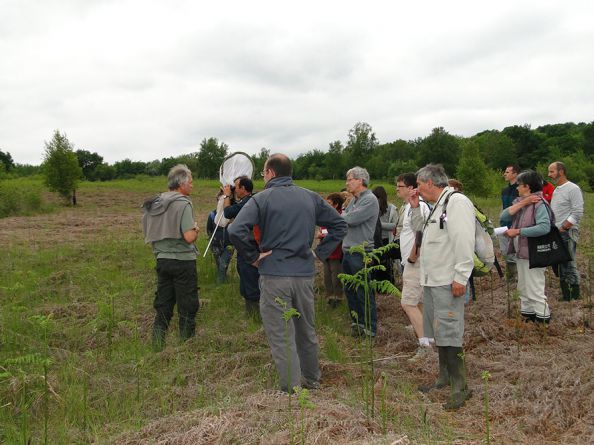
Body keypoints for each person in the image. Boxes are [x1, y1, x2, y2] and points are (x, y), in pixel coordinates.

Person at [228, 154, 347, 392]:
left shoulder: (262, 199)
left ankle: (292, 390)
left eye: (263, 173)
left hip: (274, 275)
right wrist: (318, 253)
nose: (262, 177)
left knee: (282, 334)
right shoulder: (310, 197)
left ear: (271, 173)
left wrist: (253, 256)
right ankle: (312, 380)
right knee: (306, 331)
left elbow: (235, 229)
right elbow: (340, 225)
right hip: (303, 275)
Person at [414, 164, 475, 410]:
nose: (417, 189)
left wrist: (461, 276)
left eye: (418, 184)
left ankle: (460, 386)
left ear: (430, 183)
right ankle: (444, 377)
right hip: (432, 280)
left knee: (450, 330)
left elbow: (463, 240)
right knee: (439, 330)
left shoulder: (456, 202)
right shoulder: (437, 206)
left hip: (448, 280)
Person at [141, 164, 200, 351]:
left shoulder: (154, 202)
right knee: (187, 305)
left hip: (162, 260)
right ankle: (186, 346)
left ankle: (157, 345)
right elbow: (189, 237)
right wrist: (196, 229)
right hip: (183, 261)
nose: (192, 185)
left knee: (164, 304)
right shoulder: (183, 203)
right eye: (190, 182)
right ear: (181, 184)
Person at [501, 170, 552, 322]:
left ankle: (543, 320)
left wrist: (518, 231)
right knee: (523, 286)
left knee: (535, 287)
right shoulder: (523, 203)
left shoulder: (539, 204)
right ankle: (528, 315)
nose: (517, 187)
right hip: (522, 252)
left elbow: (544, 227)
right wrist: (524, 202)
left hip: (534, 253)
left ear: (527, 187)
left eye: (519, 185)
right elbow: (503, 216)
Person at [395, 173, 433, 360]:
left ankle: (425, 345)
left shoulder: (420, 207)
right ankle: (429, 338)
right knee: (419, 302)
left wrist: (412, 256)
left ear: (411, 188)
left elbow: (422, 233)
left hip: (416, 263)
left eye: (400, 186)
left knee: (408, 303)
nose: (397, 189)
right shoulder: (409, 207)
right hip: (414, 262)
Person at [342, 167, 380, 337]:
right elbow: (345, 218)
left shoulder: (370, 199)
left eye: (349, 179)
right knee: (350, 290)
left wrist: (340, 217)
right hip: (349, 251)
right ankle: (357, 324)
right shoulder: (354, 200)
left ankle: (369, 329)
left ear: (360, 180)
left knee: (363, 291)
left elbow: (350, 219)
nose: (347, 183)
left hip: (361, 252)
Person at [223, 176, 261, 315]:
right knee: (246, 278)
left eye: (236, 187)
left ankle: (255, 314)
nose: (235, 189)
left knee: (250, 279)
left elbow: (228, 213)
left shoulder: (248, 202)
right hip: (248, 246)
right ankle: (251, 312)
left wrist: (227, 195)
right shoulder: (250, 200)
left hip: (250, 247)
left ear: (243, 189)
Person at [548, 161, 584, 301]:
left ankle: (572, 296)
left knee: (568, 263)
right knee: (560, 263)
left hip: (567, 232)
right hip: (557, 232)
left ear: (561, 171)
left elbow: (577, 212)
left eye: (552, 171)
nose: (549, 175)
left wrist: (564, 227)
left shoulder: (573, 188)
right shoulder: (557, 190)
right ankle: (566, 293)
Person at [317, 192, 345, 308]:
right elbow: (323, 229)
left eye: (329, 203)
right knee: (327, 275)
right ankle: (329, 296)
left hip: (336, 251)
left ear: (336, 205)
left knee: (336, 275)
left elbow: (338, 231)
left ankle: (338, 297)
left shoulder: (341, 216)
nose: (326, 205)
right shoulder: (327, 215)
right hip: (326, 251)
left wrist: (323, 235)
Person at [372, 185, 399, 283]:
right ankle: (377, 285)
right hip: (374, 239)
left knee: (386, 263)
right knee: (375, 262)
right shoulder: (371, 207)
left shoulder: (391, 208)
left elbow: (395, 225)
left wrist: (379, 225)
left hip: (386, 240)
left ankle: (387, 285)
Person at [206, 191, 234, 283]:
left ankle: (220, 283)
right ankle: (224, 280)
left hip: (229, 244)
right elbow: (209, 229)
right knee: (220, 265)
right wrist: (212, 240)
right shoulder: (212, 215)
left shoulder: (232, 215)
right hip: (216, 244)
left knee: (223, 264)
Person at [500, 164, 520, 281]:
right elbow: (504, 207)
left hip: (516, 225)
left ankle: (517, 277)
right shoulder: (505, 190)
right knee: (506, 251)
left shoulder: (521, 190)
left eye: (507, 172)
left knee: (516, 251)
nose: (505, 174)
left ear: (515, 174)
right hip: (504, 225)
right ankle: (511, 275)